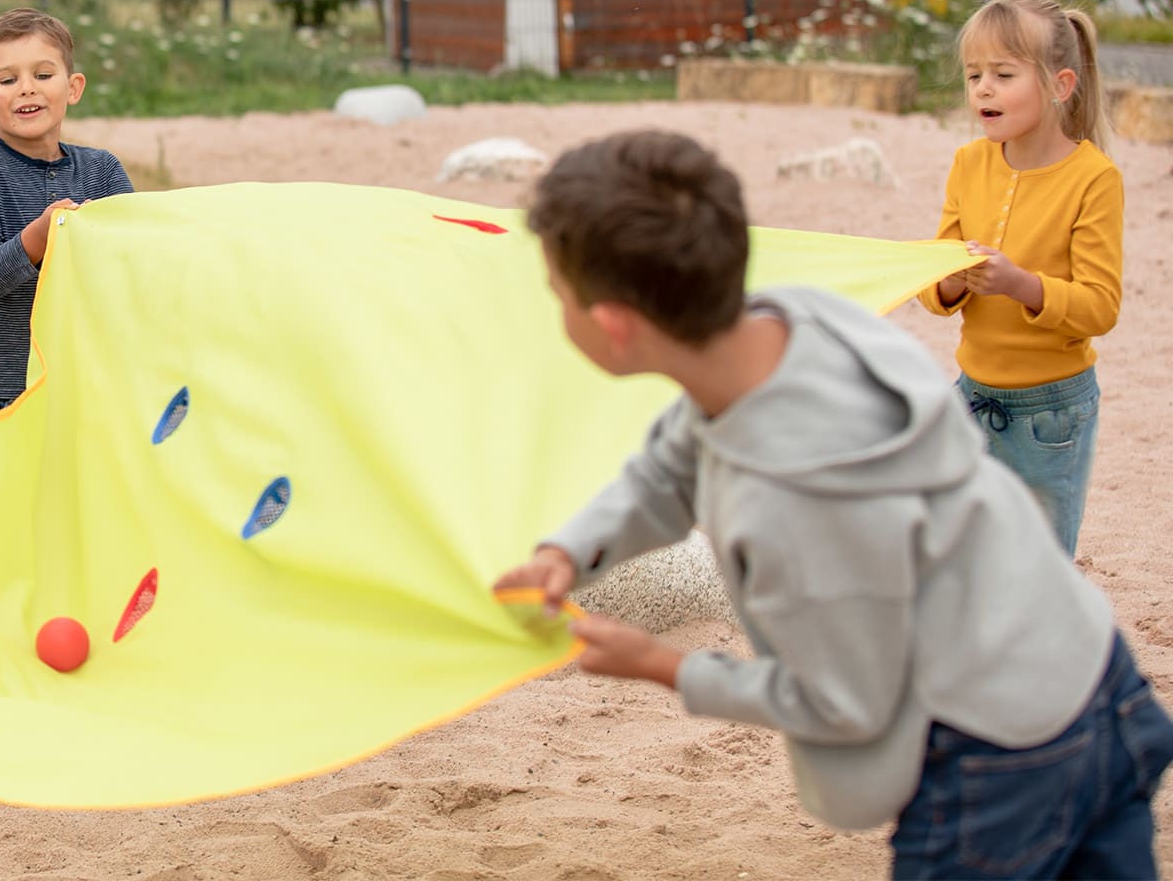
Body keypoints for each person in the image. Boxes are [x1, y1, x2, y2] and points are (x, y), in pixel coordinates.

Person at [495, 129, 1172, 879]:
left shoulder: (795, 502)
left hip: (997, 756)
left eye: (560, 296)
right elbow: (669, 465)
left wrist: (663, 665)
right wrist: (569, 551)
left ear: (616, 327)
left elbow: (842, 704)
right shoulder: (797, 320)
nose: (558, 310)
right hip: (1096, 674)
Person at [917, 0, 1121, 556]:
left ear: (1060, 85)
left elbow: (1100, 306)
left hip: (1050, 416)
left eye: (1003, 73)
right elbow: (936, 285)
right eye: (974, 73)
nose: (982, 87)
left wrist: (1021, 285)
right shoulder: (968, 163)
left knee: (1038, 568)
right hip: (970, 396)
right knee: (957, 554)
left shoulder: (1093, 179)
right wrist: (954, 279)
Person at [0, 7, 132, 429]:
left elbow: (129, 265)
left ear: (73, 87)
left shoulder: (101, 170)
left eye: (43, 75)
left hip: (83, 381)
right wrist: (42, 233)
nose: (27, 90)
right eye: (8, 80)